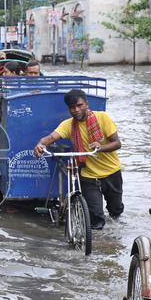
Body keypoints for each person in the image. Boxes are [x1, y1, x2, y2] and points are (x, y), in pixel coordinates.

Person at [33, 89, 123, 230]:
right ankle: (95, 245)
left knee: (116, 210)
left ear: (86, 104)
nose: (76, 110)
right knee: (96, 219)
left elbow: (117, 143)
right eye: (72, 107)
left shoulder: (103, 118)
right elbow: (50, 138)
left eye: (79, 105)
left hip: (112, 172)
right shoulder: (68, 125)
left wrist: (100, 147)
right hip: (89, 175)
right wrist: (40, 144)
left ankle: (115, 238)